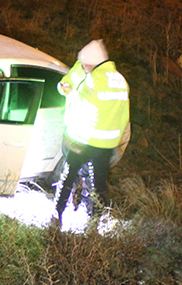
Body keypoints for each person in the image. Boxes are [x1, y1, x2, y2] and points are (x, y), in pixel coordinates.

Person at [53, 39, 130, 226]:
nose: (83, 66)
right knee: (99, 182)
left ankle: (58, 215)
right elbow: (68, 80)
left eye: (85, 63)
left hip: (85, 139)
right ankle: (94, 222)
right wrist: (63, 86)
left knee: (69, 175)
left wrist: (70, 94)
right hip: (107, 143)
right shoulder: (119, 79)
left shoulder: (96, 78)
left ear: (95, 62)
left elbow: (84, 104)